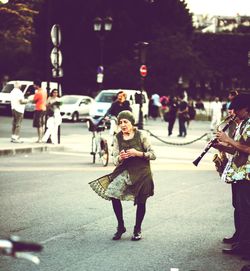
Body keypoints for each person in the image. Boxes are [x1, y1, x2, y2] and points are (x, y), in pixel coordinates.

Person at [105, 110, 156, 241]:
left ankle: (137, 228)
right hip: (125, 170)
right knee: (112, 193)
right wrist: (120, 158)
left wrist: (138, 153)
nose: (122, 125)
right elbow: (114, 159)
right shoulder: (117, 137)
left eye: (125, 122)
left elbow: (153, 155)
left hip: (142, 172)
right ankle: (121, 226)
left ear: (132, 123)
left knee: (141, 200)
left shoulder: (141, 135)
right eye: (120, 122)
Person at [213, 93, 250, 260]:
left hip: (247, 174)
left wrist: (228, 138)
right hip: (239, 172)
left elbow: (248, 149)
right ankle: (242, 242)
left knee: (247, 210)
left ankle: (246, 246)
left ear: (246, 109)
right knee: (241, 208)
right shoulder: (243, 125)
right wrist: (220, 145)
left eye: (237, 109)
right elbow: (238, 149)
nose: (234, 112)